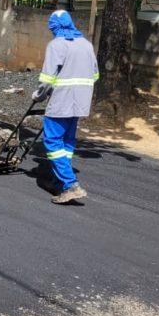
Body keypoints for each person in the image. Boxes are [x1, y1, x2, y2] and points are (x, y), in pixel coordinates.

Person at [32, 10, 99, 204]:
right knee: (67, 142)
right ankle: (59, 182)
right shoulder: (86, 44)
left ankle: (70, 184)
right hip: (81, 102)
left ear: (54, 26)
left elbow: (46, 79)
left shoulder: (56, 45)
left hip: (62, 101)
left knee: (52, 141)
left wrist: (39, 95)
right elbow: (95, 75)